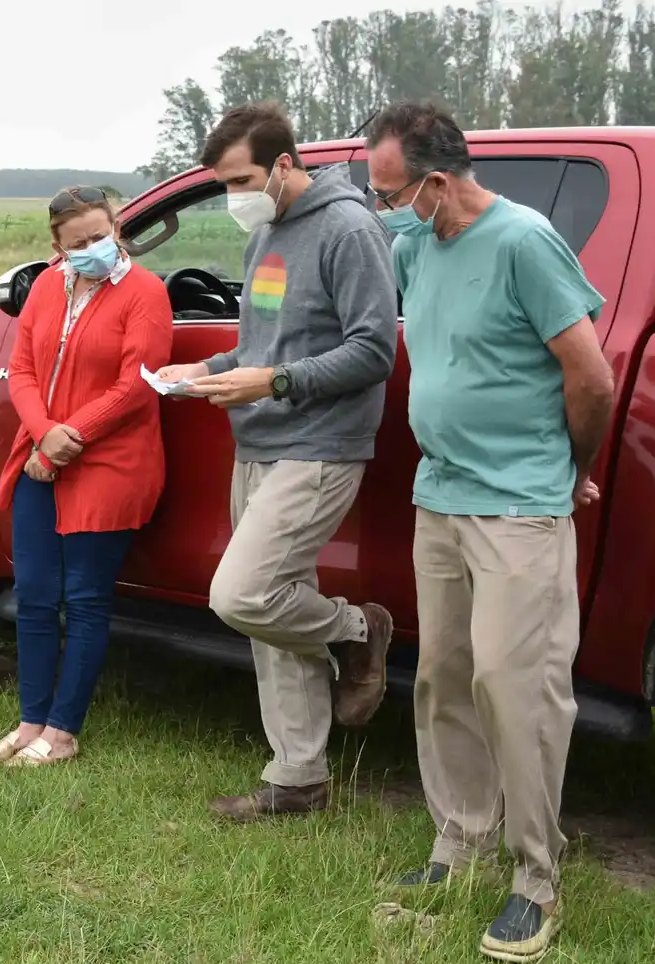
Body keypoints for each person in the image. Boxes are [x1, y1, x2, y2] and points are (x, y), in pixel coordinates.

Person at [365, 100, 614, 964]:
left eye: (393, 192)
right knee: (444, 678)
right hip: (441, 498)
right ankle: (458, 844)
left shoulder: (523, 241)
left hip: (517, 504)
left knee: (519, 688)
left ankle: (536, 879)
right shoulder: (411, 247)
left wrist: (568, 469)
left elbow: (590, 377)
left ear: (438, 181)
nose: (386, 208)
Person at [155, 101, 398, 820]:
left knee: (244, 595)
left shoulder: (350, 228)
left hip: (319, 445)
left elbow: (373, 348)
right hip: (257, 441)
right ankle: (297, 780)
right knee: (274, 613)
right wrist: (203, 370)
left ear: (285, 164)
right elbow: (266, 347)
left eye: (242, 179)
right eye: (224, 183)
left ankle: (361, 631)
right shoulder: (266, 233)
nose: (234, 196)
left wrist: (274, 381)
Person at [0, 186, 172, 767]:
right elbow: (24, 369)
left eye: (101, 235)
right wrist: (43, 434)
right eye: (78, 242)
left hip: (109, 461)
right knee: (34, 595)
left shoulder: (146, 292)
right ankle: (30, 720)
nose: (93, 248)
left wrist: (70, 437)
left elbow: (137, 384)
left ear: (117, 226)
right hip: (42, 451)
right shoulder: (44, 286)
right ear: (56, 245)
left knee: (85, 599)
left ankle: (63, 732)